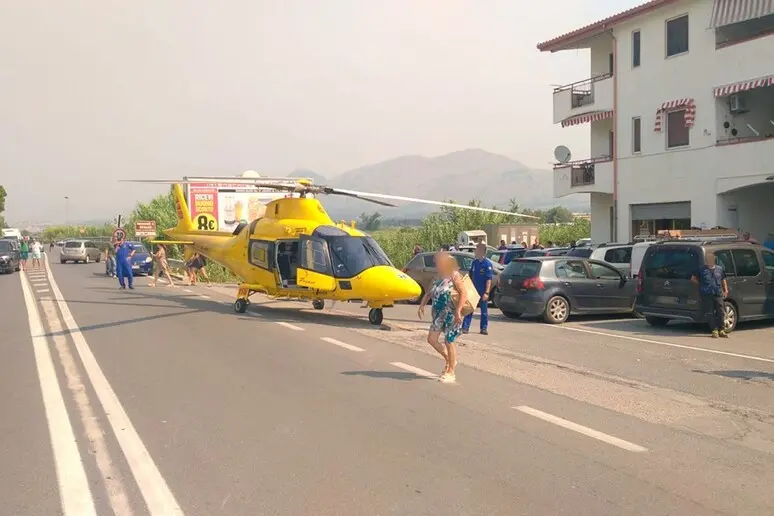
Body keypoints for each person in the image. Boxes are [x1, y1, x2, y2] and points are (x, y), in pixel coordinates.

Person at [417, 251, 467, 383]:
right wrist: (422, 304)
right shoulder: (438, 275)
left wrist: (458, 310)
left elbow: (463, 293)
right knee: (431, 339)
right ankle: (450, 360)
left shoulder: (454, 275)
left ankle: (451, 371)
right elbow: (429, 291)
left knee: (449, 341)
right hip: (438, 315)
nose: (436, 264)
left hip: (451, 314)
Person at [691, 251, 729, 338]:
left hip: (718, 293)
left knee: (721, 312)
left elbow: (723, 280)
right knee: (710, 313)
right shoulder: (701, 269)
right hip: (707, 294)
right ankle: (714, 330)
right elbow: (693, 278)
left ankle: (722, 329)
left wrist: (725, 290)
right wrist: (701, 284)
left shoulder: (719, 269)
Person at [462, 242, 492, 335]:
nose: (475, 252)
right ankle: (465, 327)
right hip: (473, 290)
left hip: (482, 290)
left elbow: (489, 279)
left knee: (484, 311)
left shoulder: (487, 264)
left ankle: (483, 328)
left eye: (477, 250)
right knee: (469, 308)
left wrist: (487, 292)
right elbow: (470, 276)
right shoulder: (474, 263)